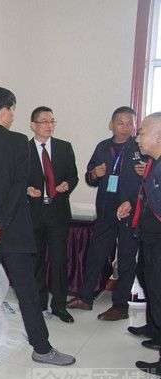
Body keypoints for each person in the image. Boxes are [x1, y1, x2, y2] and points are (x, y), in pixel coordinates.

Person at [0, 87, 75, 366]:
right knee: (27, 292)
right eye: (12, 110)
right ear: (4, 110)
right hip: (15, 232)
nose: (13, 115)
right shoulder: (20, 142)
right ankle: (41, 349)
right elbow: (19, 187)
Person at [67, 107, 142, 321]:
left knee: (126, 258)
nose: (125, 127)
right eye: (120, 122)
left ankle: (120, 306)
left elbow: (149, 180)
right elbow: (90, 178)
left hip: (130, 210)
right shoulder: (102, 146)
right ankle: (85, 297)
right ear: (111, 124)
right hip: (106, 209)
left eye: (129, 123)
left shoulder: (140, 147)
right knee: (96, 254)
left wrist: (144, 172)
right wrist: (94, 174)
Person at [116, 112, 161, 379]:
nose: (137, 137)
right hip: (151, 240)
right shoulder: (155, 165)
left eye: (142, 131)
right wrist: (133, 206)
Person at [26, 106, 78, 323]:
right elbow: (15, 179)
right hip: (34, 213)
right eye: (44, 121)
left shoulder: (64, 147)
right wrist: (27, 189)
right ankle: (38, 303)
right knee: (36, 261)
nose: (49, 125)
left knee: (59, 261)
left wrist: (67, 184)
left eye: (52, 121)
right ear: (33, 125)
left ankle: (59, 306)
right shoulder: (24, 150)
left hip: (57, 213)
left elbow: (73, 176)